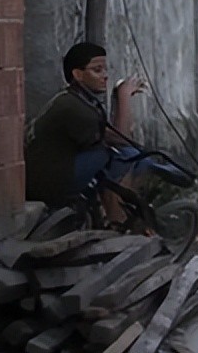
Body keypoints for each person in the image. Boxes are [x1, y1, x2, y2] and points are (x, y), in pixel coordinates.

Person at [25, 42, 148, 221]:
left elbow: (111, 133)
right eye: (97, 70)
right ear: (78, 74)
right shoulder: (72, 106)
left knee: (127, 154)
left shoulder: (78, 99)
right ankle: (117, 220)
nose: (105, 76)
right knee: (120, 156)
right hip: (49, 182)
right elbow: (122, 138)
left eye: (105, 70)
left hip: (55, 172)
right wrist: (124, 96)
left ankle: (109, 215)